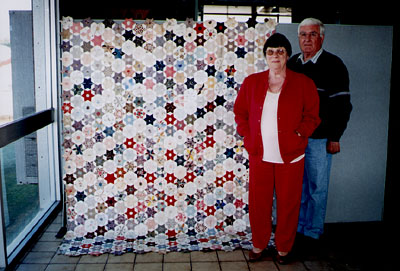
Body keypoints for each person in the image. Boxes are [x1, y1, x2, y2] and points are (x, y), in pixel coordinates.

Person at [234, 33, 320, 264]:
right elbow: (240, 112)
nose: (275, 55)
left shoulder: (303, 83)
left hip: (291, 155)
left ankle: (283, 247)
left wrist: (299, 134)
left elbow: (312, 116)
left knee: (288, 203)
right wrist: (247, 134)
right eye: (271, 51)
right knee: (259, 203)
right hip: (260, 154)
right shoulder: (252, 82)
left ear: (288, 55)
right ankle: (259, 244)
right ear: (265, 56)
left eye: (280, 51)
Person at [287, 18, 352, 246]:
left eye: (312, 34)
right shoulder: (292, 63)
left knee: (316, 188)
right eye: (303, 34)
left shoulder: (334, 65)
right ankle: (299, 229)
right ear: (298, 38)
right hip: (296, 139)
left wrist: (335, 137)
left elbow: (343, 105)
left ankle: (312, 233)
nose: (307, 39)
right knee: (299, 188)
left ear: (321, 37)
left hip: (319, 139)